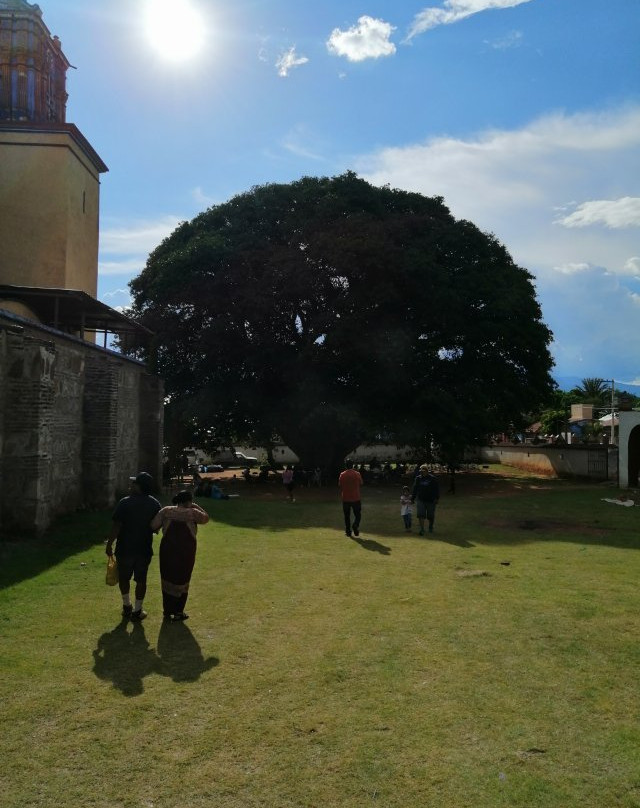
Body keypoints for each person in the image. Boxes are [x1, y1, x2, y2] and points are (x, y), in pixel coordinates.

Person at [106, 472, 161, 621]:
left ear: (139, 487)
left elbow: (117, 525)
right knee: (141, 580)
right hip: (143, 549)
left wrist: (110, 544)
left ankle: (126, 606)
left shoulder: (124, 502)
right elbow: (156, 527)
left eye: (134, 484)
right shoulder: (155, 504)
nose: (131, 486)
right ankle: (137, 610)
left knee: (124, 578)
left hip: (125, 548)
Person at [150, 490, 210, 622]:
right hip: (186, 551)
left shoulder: (166, 511)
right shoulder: (193, 513)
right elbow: (205, 518)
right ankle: (178, 611)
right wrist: (196, 506)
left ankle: (167, 610)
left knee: (167, 578)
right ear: (188, 501)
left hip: (168, 550)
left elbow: (153, 525)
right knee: (183, 578)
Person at [411, 464, 440, 535]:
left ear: (427, 471)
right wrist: (413, 498)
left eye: (423, 471)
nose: (421, 472)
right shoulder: (418, 478)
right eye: (421, 471)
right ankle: (422, 529)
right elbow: (415, 489)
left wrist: (436, 498)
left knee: (430, 515)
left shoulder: (432, 478)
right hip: (421, 499)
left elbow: (436, 489)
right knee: (421, 514)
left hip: (431, 500)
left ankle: (430, 527)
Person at [338, 459, 363, 537]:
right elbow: (361, 483)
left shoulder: (342, 474)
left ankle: (348, 531)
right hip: (356, 497)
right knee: (358, 515)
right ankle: (355, 525)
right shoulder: (357, 474)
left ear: (345, 465)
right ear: (352, 465)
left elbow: (340, 484)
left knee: (347, 516)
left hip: (346, 497)